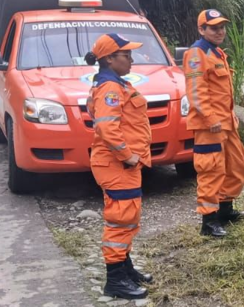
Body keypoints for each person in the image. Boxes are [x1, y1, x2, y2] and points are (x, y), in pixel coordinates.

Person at [86, 33, 153, 299]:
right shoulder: (110, 88)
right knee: (120, 220)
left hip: (119, 164)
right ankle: (115, 281)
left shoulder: (115, 84)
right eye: (126, 55)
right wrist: (127, 155)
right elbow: (106, 127)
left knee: (127, 219)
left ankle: (125, 269)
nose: (131, 60)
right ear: (110, 58)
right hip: (116, 164)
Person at [182, 9, 244, 237]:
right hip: (209, 126)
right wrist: (210, 118)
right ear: (202, 29)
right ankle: (209, 222)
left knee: (236, 167)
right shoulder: (196, 54)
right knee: (211, 171)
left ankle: (225, 211)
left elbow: (222, 92)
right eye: (214, 28)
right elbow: (196, 92)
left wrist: (231, 116)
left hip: (227, 124)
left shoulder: (217, 52)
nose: (220, 31)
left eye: (222, 27)